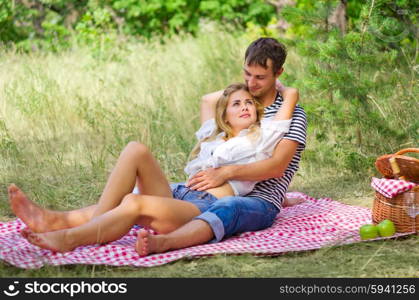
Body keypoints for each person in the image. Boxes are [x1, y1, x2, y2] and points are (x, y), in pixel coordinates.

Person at [9, 80, 298, 253]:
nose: (246, 106)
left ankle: (69, 238)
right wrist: (243, 86)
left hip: (202, 207)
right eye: (237, 104)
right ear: (225, 114)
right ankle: (54, 221)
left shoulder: (260, 138)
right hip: (179, 194)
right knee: (136, 149)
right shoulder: (214, 134)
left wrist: (284, 91)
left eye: (250, 103)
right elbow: (208, 99)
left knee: (133, 201)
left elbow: (284, 118)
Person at [135, 37, 306, 256]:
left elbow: (277, 167)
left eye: (260, 77)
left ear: (278, 73)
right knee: (149, 193)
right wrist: (241, 90)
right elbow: (208, 101)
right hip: (214, 193)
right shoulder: (243, 105)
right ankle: (88, 223)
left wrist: (225, 173)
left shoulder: (293, 114)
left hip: (258, 201)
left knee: (229, 206)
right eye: (247, 74)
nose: (252, 83)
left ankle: (165, 242)